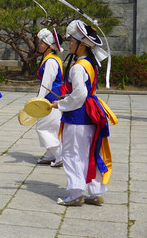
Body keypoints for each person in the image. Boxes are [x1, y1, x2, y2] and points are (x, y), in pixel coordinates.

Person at [52, 20, 116, 206]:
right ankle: (96, 192)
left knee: (72, 153)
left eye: (72, 41)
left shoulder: (78, 67)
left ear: (82, 45)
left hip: (78, 115)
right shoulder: (90, 63)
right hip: (90, 113)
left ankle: (75, 193)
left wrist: (61, 103)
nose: (69, 43)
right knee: (88, 153)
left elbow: (80, 94)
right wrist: (69, 96)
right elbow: (84, 91)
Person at [35, 28, 64, 167]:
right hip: (53, 95)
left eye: (42, 42)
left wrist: (38, 101)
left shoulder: (51, 61)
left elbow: (47, 83)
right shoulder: (50, 58)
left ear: (49, 46)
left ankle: (59, 154)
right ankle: (51, 155)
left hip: (51, 97)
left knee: (42, 127)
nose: (39, 44)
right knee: (50, 127)